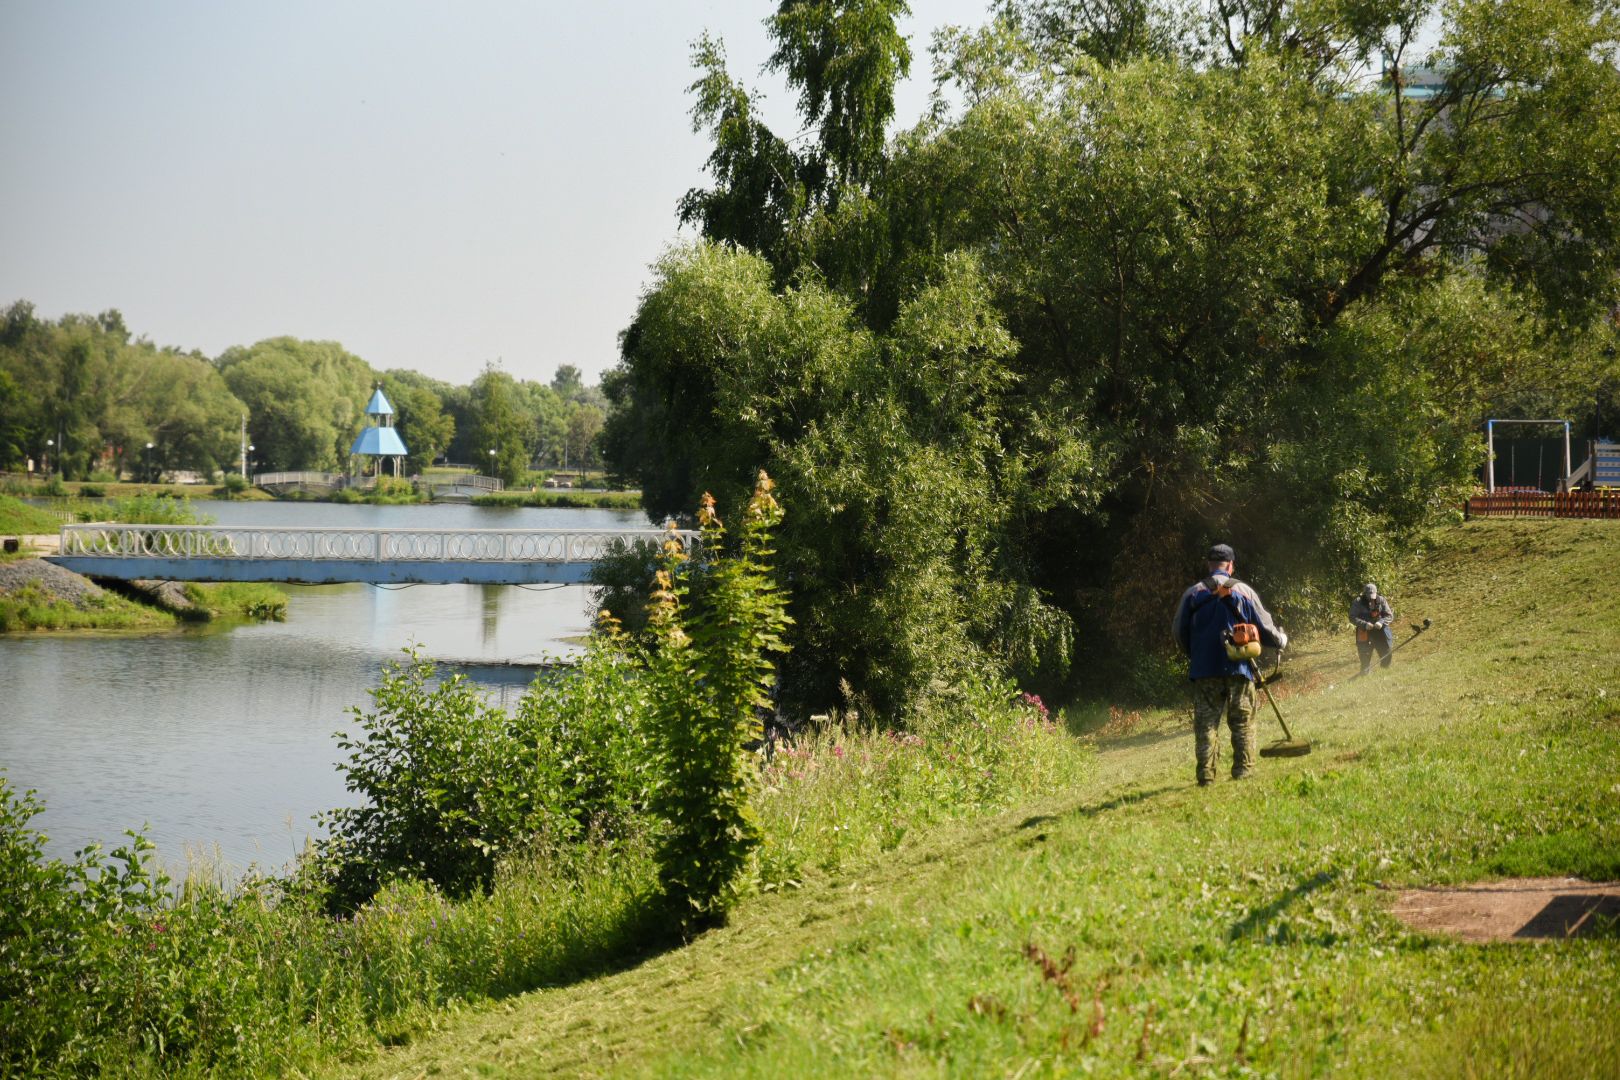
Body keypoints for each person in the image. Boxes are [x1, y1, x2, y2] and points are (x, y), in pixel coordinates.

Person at [1171, 543, 1287, 786]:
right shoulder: (1244, 591)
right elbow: (1265, 628)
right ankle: (1243, 771)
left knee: (1206, 725)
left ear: (1209, 565)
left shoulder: (1192, 594)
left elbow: (1179, 632)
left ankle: (1205, 776)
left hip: (1204, 671)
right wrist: (1280, 640)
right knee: (1243, 721)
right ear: (1231, 566)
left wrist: (1196, 655)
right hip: (1240, 668)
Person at [1349, 582, 1394, 675]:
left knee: (1386, 653)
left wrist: (1381, 622)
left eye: (1373, 595)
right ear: (1364, 594)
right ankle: (1365, 675)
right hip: (1364, 632)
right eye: (1369, 595)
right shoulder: (1357, 602)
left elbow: (1389, 615)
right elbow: (1352, 617)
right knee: (1365, 657)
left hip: (1380, 631)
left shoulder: (1381, 600)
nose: (1371, 597)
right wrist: (1364, 624)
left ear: (1376, 592)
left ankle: (1384, 673)